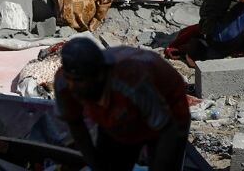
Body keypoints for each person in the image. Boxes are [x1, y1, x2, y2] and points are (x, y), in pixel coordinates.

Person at [53, 37, 190, 171]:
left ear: (99, 75)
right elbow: (75, 124)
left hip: (170, 113)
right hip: (119, 114)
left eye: (80, 81)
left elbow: (167, 129)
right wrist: (96, 164)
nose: (73, 88)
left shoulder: (131, 81)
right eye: (70, 80)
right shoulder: (64, 84)